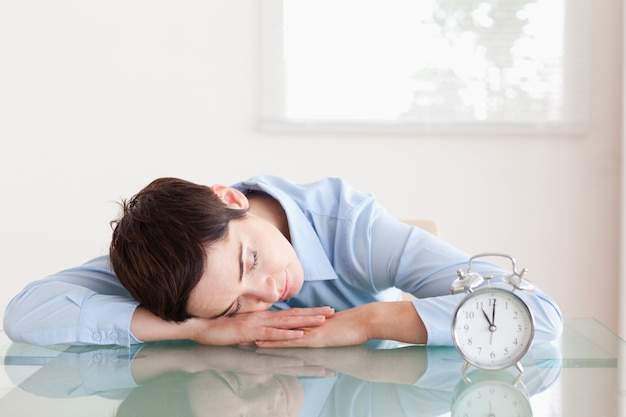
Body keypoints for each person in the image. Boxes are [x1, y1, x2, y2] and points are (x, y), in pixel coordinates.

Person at [3, 176, 563, 348]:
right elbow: (26, 314)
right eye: (234, 305)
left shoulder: (353, 227)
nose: (266, 293)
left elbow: (536, 315)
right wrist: (199, 328)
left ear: (229, 199)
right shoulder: (168, 263)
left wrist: (367, 321)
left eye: (251, 261)